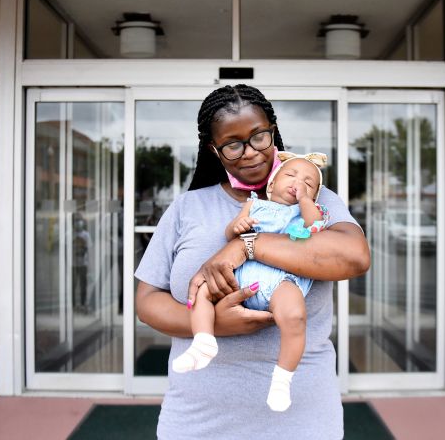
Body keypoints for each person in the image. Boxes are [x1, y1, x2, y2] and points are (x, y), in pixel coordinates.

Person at [134, 84, 370, 439]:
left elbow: (354, 257)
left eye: (259, 136)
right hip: (197, 421)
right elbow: (148, 300)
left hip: (302, 423)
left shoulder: (318, 199)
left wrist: (249, 245)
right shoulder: (188, 208)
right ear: (214, 150)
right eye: (233, 144)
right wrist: (215, 323)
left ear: (273, 130)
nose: (251, 153)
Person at [172, 151, 330, 412]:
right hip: (244, 274)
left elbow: (314, 225)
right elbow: (231, 231)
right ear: (272, 183)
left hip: (283, 280)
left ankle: (282, 380)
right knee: (202, 291)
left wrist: (304, 200)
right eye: (290, 175)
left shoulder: (308, 213)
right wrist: (238, 225)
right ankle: (203, 342)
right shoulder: (255, 204)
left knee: (294, 316)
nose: (298, 182)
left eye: (309, 183)